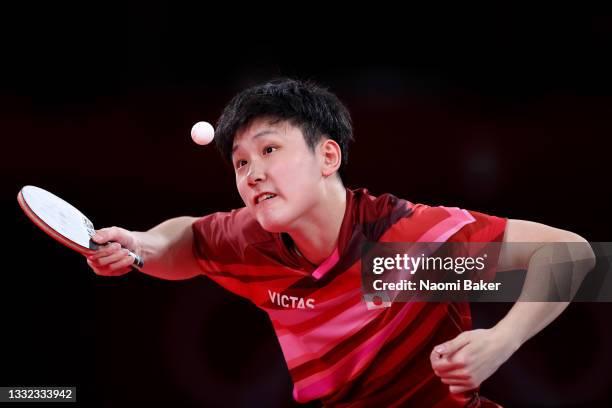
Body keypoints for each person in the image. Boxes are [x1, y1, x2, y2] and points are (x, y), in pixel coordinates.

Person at [86, 78, 593, 407]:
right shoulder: (253, 239)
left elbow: (573, 254)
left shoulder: (407, 240)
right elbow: (188, 242)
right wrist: (140, 244)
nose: (253, 173)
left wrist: (502, 341)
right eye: (241, 163)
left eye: (270, 149)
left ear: (328, 157)